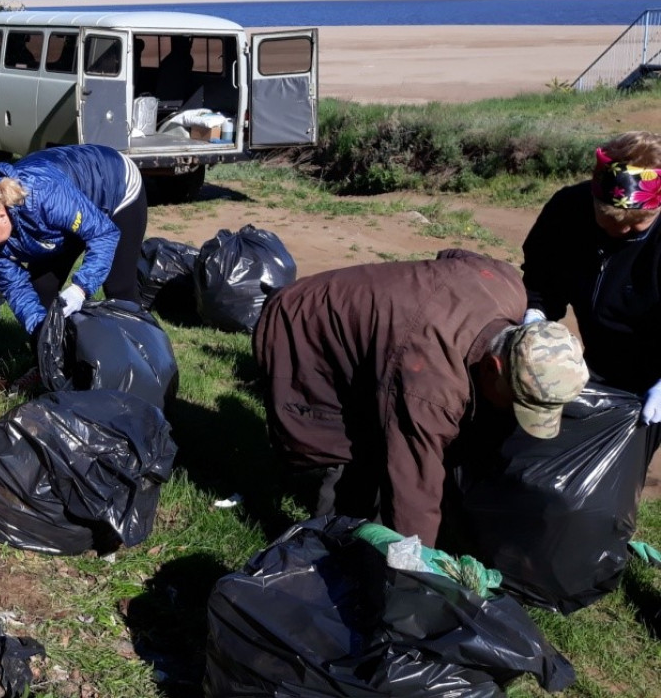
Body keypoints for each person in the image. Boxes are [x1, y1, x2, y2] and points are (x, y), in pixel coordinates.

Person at [253, 249, 589, 546]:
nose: (513, 413)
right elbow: (414, 484)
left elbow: (452, 255)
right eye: (515, 402)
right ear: (492, 366)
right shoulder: (431, 385)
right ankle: (329, 550)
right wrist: (419, 569)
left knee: (382, 430)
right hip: (305, 327)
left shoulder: (506, 284)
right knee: (346, 453)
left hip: (377, 335)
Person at [521, 131, 661, 416]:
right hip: (598, 361)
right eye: (609, 222)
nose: (621, 232)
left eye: (636, 227)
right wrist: (535, 312)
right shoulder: (567, 210)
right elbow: (541, 277)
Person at [0, 144, 146, 337]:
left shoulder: (41, 195)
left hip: (114, 184)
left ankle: (143, 355)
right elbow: (15, 286)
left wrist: (80, 288)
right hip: (63, 215)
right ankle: (51, 367)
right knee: (42, 290)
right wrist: (41, 334)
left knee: (119, 287)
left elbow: (103, 234)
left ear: (1, 216)